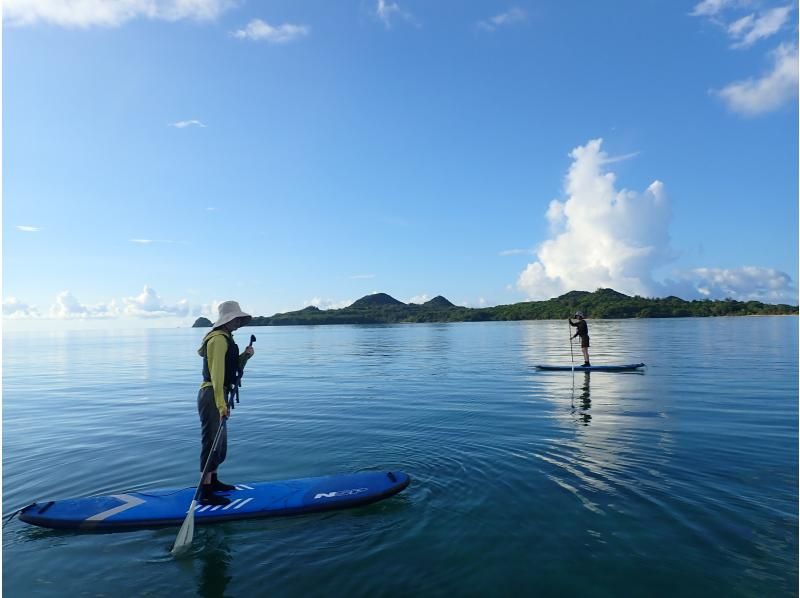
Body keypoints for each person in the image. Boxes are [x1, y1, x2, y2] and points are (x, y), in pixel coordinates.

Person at [196, 301, 255, 505]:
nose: (239, 322)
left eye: (240, 318)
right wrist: (221, 405)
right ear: (228, 319)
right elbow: (217, 374)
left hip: (218, 394)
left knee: (219, 444)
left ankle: (213, 482)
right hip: (213, 394)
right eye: (236, 318)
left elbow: (230, 368)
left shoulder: (227, 339)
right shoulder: (218, 340)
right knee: (211, 442)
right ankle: (204, 491)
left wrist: (245, 357)